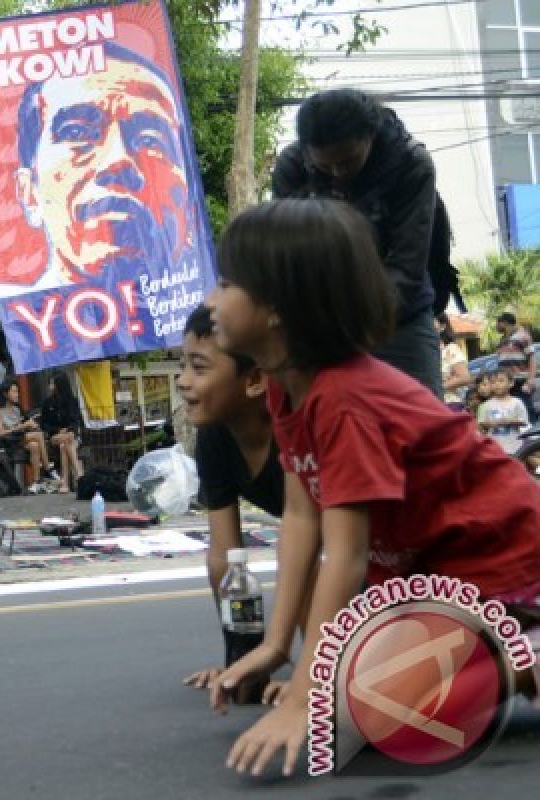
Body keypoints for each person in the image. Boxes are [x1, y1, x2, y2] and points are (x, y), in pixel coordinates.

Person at [205, 197, 540, 777]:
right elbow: (302, 518)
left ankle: (523, 649)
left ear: (278, 307)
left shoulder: (345, 399)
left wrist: (310, 693)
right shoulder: (287, 387)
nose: (212, 300)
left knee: (389, 720)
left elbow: (348, 551)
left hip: (500, 560)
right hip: (431, 577)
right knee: (358, 701)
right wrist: (278, 645)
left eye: (229, 282)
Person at [272, 88, 443, 397]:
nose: (338, 174)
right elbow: (287, 256)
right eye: (325, 166)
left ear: (371, 134)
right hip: (320, 324)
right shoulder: (293, 168)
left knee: (423, 428)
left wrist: (355, 322)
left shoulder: (412, 165)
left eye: (348, 161)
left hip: (399, 318)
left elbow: (406, 266)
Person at [6, 42, 208, 300]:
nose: (118, 160)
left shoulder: (218, 324)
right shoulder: (21, 324)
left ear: (189, 192)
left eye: (149, 140)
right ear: (29, 193)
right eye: (77, 133)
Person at [175, 305, 284, 699]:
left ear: (254, 379)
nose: (182, 382)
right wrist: (240, 658)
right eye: (182, 365)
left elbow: (316, 552)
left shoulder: (294, 425)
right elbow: (224, 555)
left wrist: (311, 677)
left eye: (199, 368)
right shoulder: (215, 438)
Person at [0, 379, 51, 494]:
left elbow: (22, 425)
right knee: (38, 436)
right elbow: (1, 433)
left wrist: (31, 425)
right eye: (14, 392)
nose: (17, 394)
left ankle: (35, 483)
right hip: (6, 441)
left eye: (17, 391)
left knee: (34, 445)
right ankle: (48, 468)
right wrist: (22, 426)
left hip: (19, 439)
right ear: (5, 393)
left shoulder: (17, 408)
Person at [39, 373, 82, 493]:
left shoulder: (72, 401)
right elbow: (44, 424)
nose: (50, 386)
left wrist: (69, 430)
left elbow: (76, 421)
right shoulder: (47, 403)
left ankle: (65, 483)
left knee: (64, 445)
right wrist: (57, 430)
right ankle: (79, 475)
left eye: (53, 383)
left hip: (71, 437)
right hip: (55, 437)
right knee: (64, 441)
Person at [477, 368, 530, 454]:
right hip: (495, 447)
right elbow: (481, 423)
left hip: (514, 445)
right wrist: (490, 424)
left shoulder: (517, 402)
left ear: (511, 383)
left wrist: (509, 421)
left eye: (501, 381)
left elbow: (524, 421)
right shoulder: (486, 405)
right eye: (493, 382)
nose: (497, 384)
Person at [495, 311, 536, 422]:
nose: (496, 326)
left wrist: (530, 380)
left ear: (504, 323)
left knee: (527, 411)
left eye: (497, 323)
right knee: (513, 413)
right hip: (506, 383)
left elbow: (532, 358)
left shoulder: (523, 335)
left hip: (520, 382)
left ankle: (532, 436)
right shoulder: (501, 340)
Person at [436, 313, 471, 411]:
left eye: (431, 320)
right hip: (424, 404)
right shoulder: (420, 351)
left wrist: (436, 388)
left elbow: (464, 377)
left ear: (442, 326)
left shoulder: (450, 349)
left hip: (448, 404)